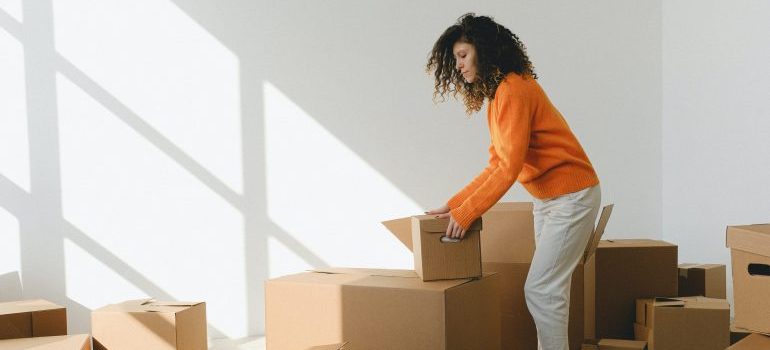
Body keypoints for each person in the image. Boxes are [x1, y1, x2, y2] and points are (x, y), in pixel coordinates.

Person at [425, 13, 601, 350]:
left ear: (484, 50)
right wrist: (454, 204)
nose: (459, 66)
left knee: (541, 290)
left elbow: (509, 168)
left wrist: (467, 214)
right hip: (550, 199)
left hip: (572, 197)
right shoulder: (498, 96)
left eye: (463, 56)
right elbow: (497, 164)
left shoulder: (513, 89)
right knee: (550, 292)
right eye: (456, 59)